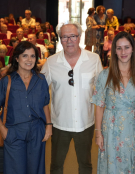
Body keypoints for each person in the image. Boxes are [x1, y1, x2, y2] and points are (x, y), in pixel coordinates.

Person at [41, 21, 103, 174]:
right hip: (59, 124)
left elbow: (102, 93)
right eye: (64, 37)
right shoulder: (51, 62)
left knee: (86, 165)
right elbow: (39, 92)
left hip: (85, 123)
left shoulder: (94, 59)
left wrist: (100, 128)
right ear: (60, 39)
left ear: (80, 37)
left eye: (73, 36)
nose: (69, 41)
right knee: (56, 165)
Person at [0, 41, 51, 174]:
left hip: (37, 130)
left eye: (33, 56)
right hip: (14, 131)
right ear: (17, 58)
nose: (29, 60)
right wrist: (2, 128)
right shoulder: (7, 81)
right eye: (25, 56)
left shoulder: (41, 80)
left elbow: (45, 104)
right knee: (15, 170)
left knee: (36, 170)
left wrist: (49, 126)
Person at [91, 32, 135, 174]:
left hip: (131, 126)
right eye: (119, 48)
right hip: (110, 126)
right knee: (111, 163)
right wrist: (98, 133)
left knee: (130, 161)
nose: (123, 52)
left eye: (126, 47)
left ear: (133, 49)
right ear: (114, 51)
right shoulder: (105, 75)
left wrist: (130, 111)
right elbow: (99, 106)